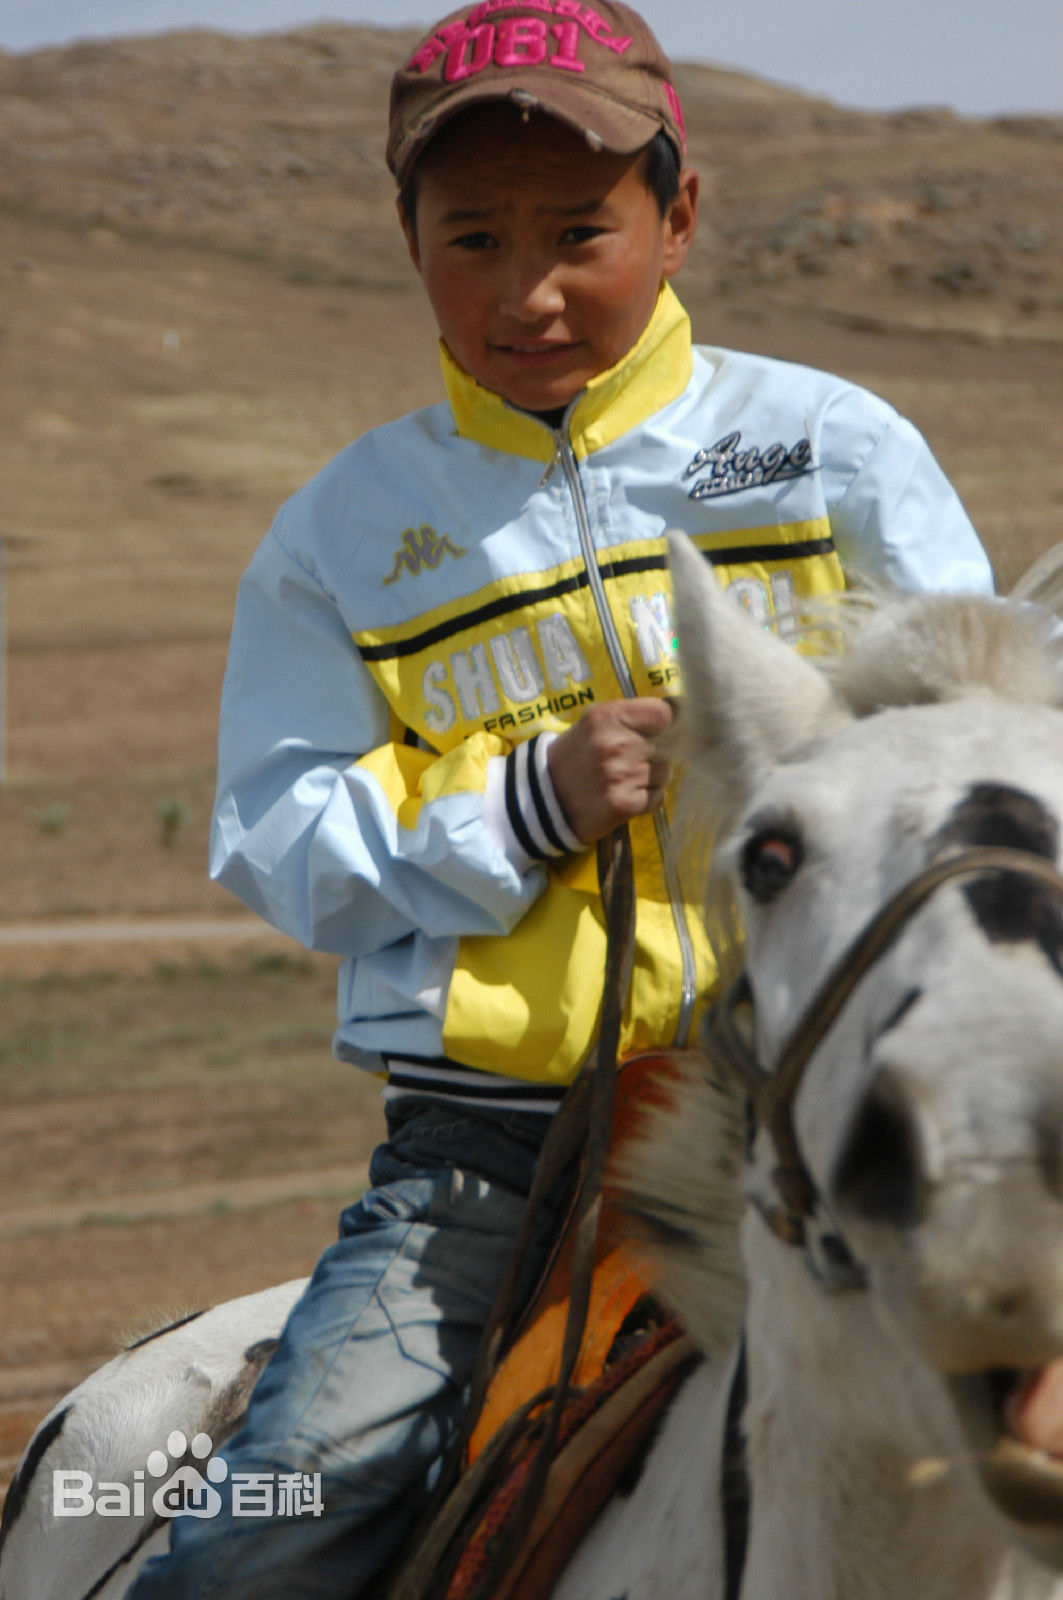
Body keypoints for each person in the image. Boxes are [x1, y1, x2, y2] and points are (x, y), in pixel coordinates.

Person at [127, 3, 994, 1595]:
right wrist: (518, 806)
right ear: (406, 240)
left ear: (678, 216)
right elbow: (281, 847)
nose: (527, 291)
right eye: (472, 236)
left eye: (581, 230)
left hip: (842, 1114)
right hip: (490, 1168)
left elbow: (979, 764)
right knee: (258, 1538)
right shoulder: (343, 534)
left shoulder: (831, 450)